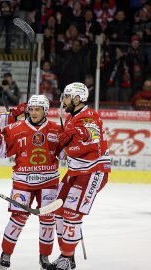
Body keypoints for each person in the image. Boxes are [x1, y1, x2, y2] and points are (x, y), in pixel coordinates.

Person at [0, 95, 61, 269]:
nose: (34, 112)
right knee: (18, 218)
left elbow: (65, 154)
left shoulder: (56, 129)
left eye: (38, 109)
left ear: (45, 110)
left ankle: (44, 256)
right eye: (32, 109)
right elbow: (0, 151)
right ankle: (6, 253)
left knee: (48, 219)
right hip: (23, 182)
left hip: (49, 182)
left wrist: (75, 147)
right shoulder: (15, 128)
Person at [50, 82, 111, 270]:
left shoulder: (88, 117)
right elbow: (69, 148)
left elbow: (95, 147)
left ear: (77, 99)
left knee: (71, 213)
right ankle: (68, 254)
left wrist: (72, 142)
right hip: (76, 172)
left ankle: (66, 258)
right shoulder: (73, 116)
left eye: (67, 96)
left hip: (92, 172)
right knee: (58, 210)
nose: (63, 100)